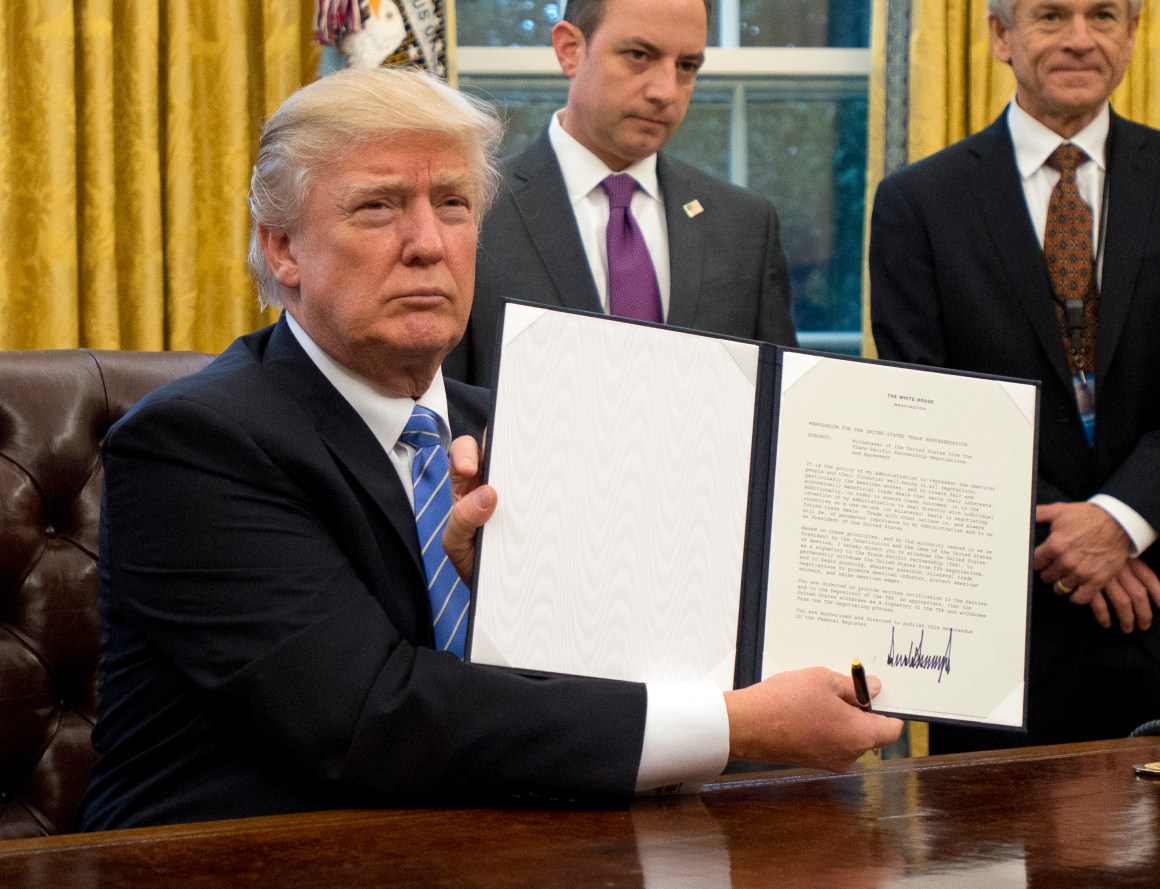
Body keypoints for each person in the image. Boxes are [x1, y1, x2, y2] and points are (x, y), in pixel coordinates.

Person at [78, 67, 900, 830]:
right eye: (378, 207)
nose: (427, 243)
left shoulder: (517, 427)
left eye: (454, 205)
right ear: (284, 249)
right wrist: (737, 721)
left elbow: (614, 675)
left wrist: (519, 602)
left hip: (508, 842)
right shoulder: (195, 443)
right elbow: (373, 719)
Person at [870, 0, 1160, 753]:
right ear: (1000, 37)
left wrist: (1123, 519)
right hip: (997, 630)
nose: (1078, 38)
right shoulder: (916, 203)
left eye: (1103, 15)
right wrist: (1070, 536)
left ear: (1132, 37)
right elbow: (921, 408)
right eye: (1050, 16)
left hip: (1154, 606)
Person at [441, 0, 797, 386]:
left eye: (687, 66)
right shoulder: (473, 211)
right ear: (570, 50)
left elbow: (777, 411)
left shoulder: (744, 226)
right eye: (639, 55)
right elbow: (441, 402)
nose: (665, 91)